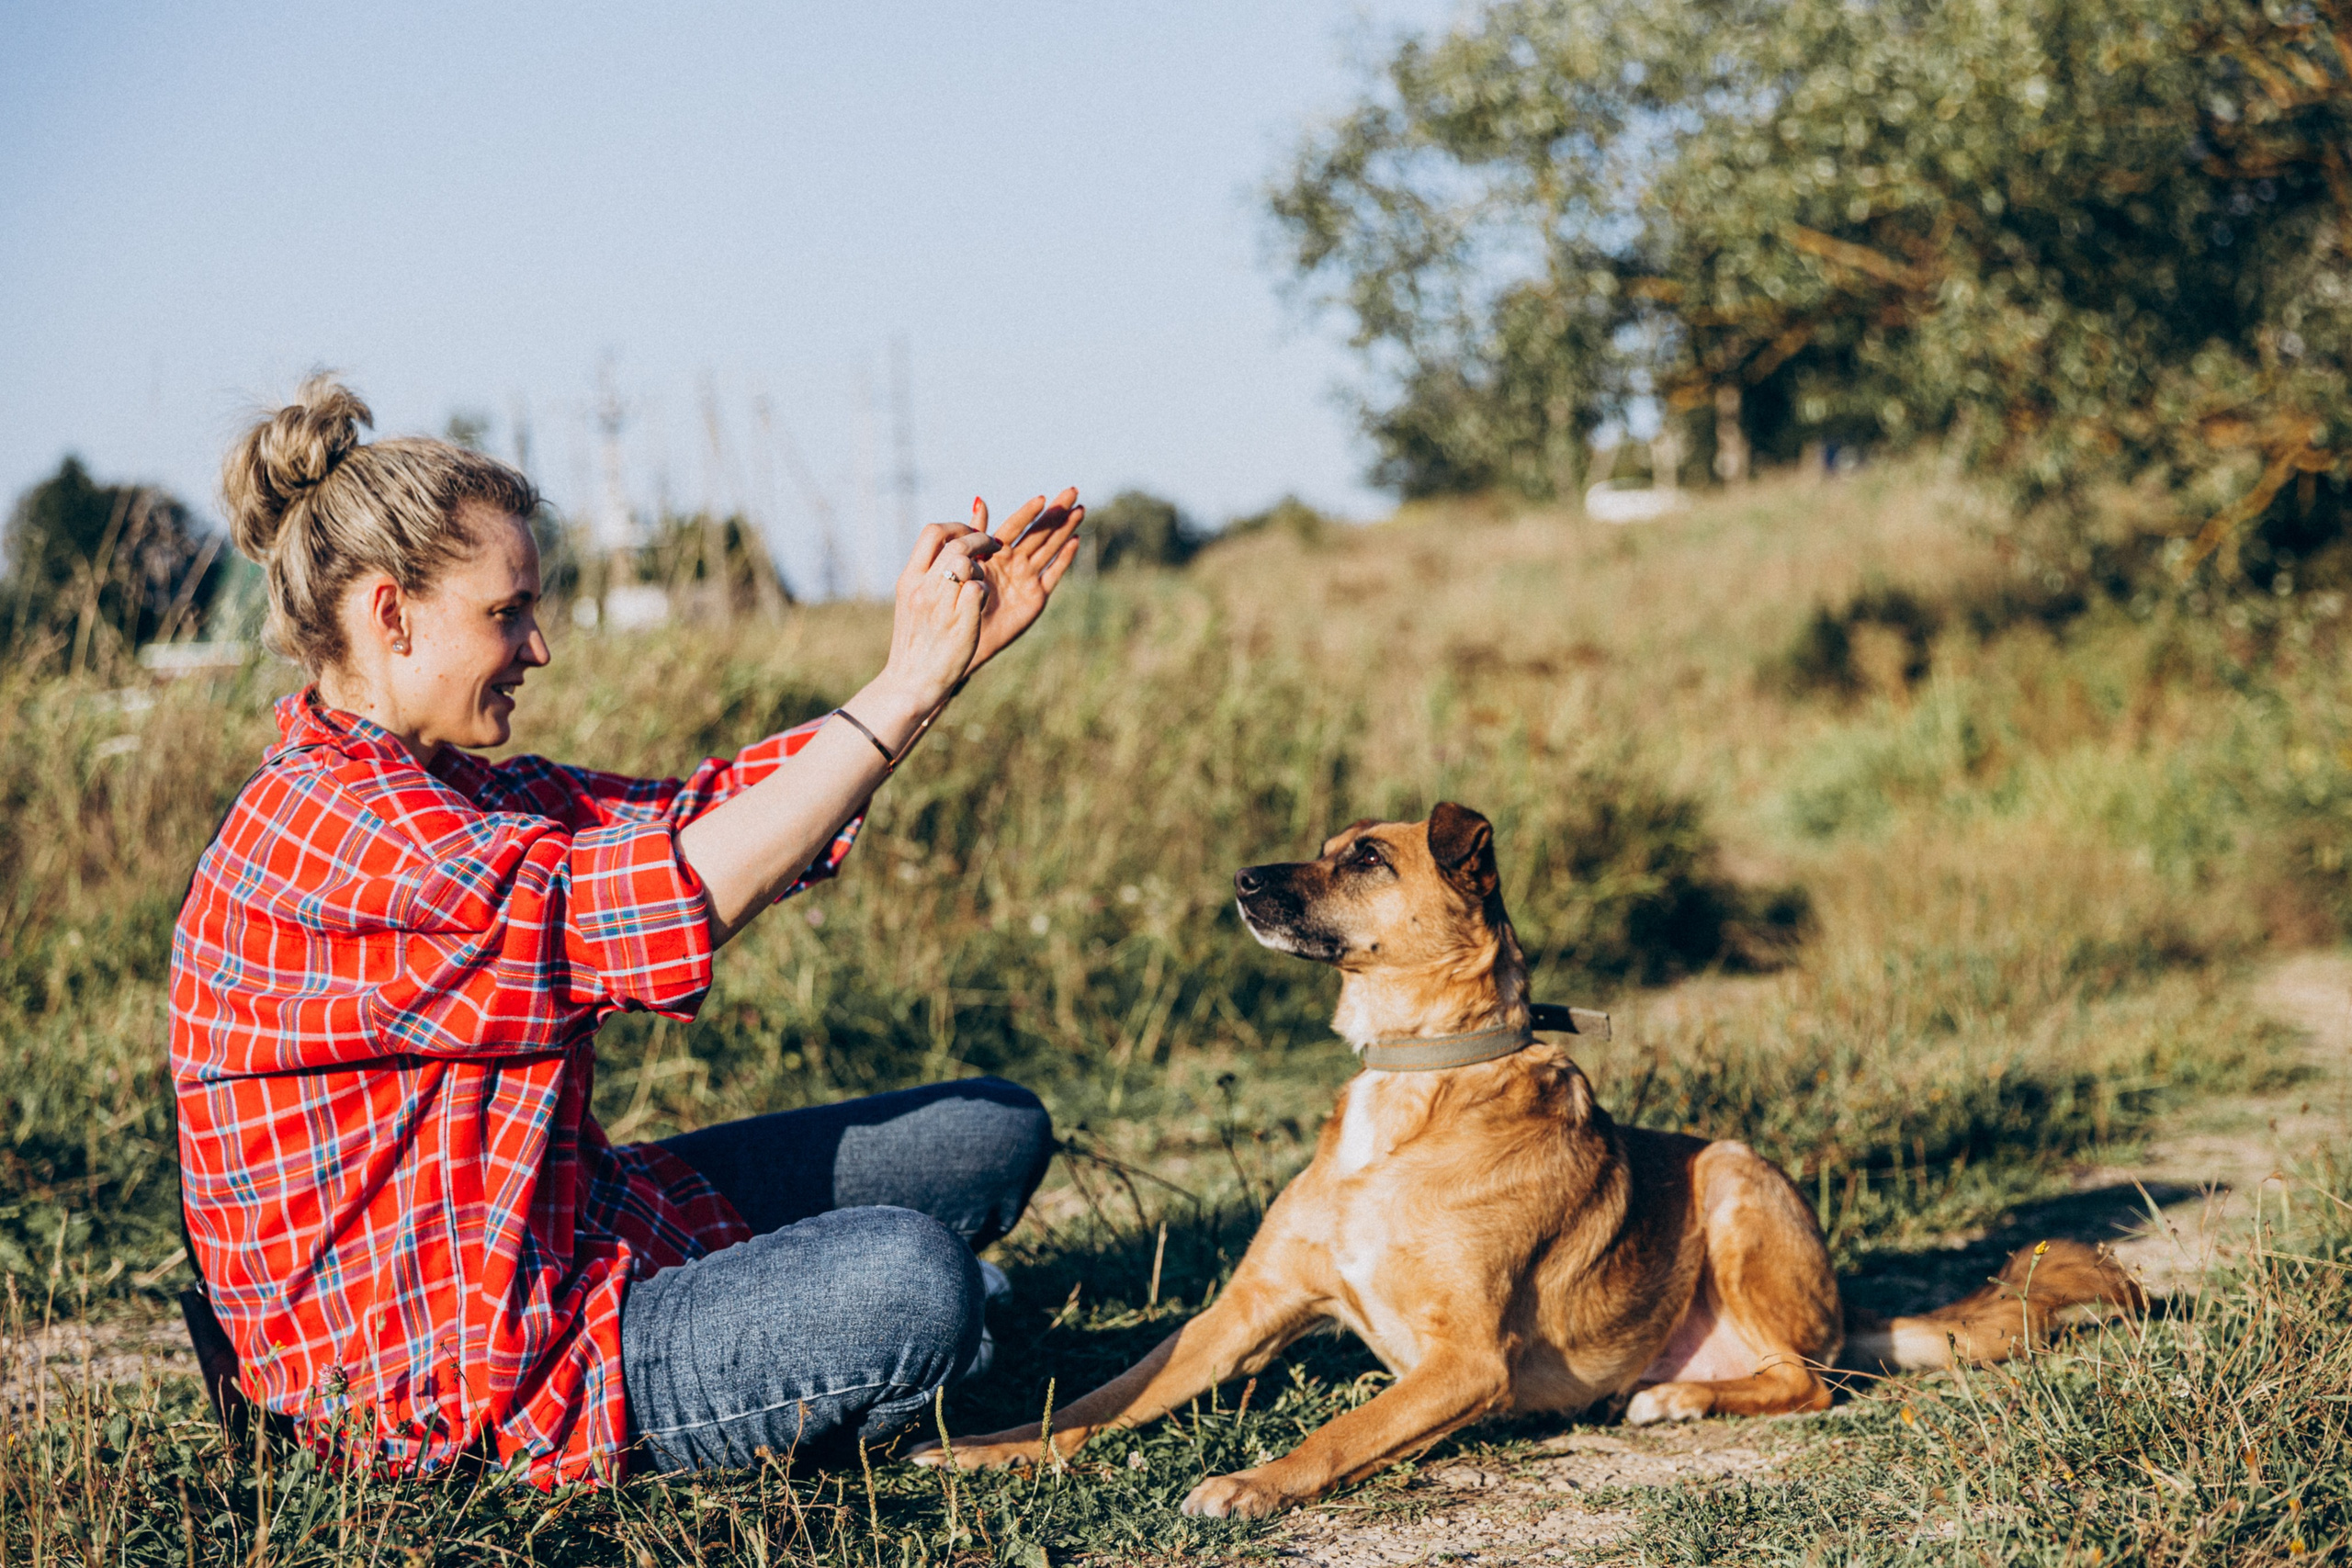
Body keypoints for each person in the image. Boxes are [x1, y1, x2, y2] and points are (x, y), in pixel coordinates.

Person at [169, 376, 1084, 1483]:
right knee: (913, 1279)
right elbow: (675, 896)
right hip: (471, 1374)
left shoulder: (445, 787)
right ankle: (895, 1348)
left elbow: (704, 822)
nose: (539, 646)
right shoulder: (353, 839)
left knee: (991, 1126)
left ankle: (868, 1338)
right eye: (507, 612)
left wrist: (936, 671)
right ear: (390, 613)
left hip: (558, 1228)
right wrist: (898, 692)